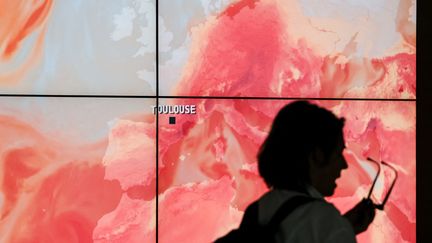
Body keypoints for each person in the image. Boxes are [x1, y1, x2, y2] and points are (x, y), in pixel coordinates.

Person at [226, 101, 375, 242]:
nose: (343, 165)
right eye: (338, 154)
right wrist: (340, 230)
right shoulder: (329, 224)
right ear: (317, 155)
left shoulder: (257, 211)